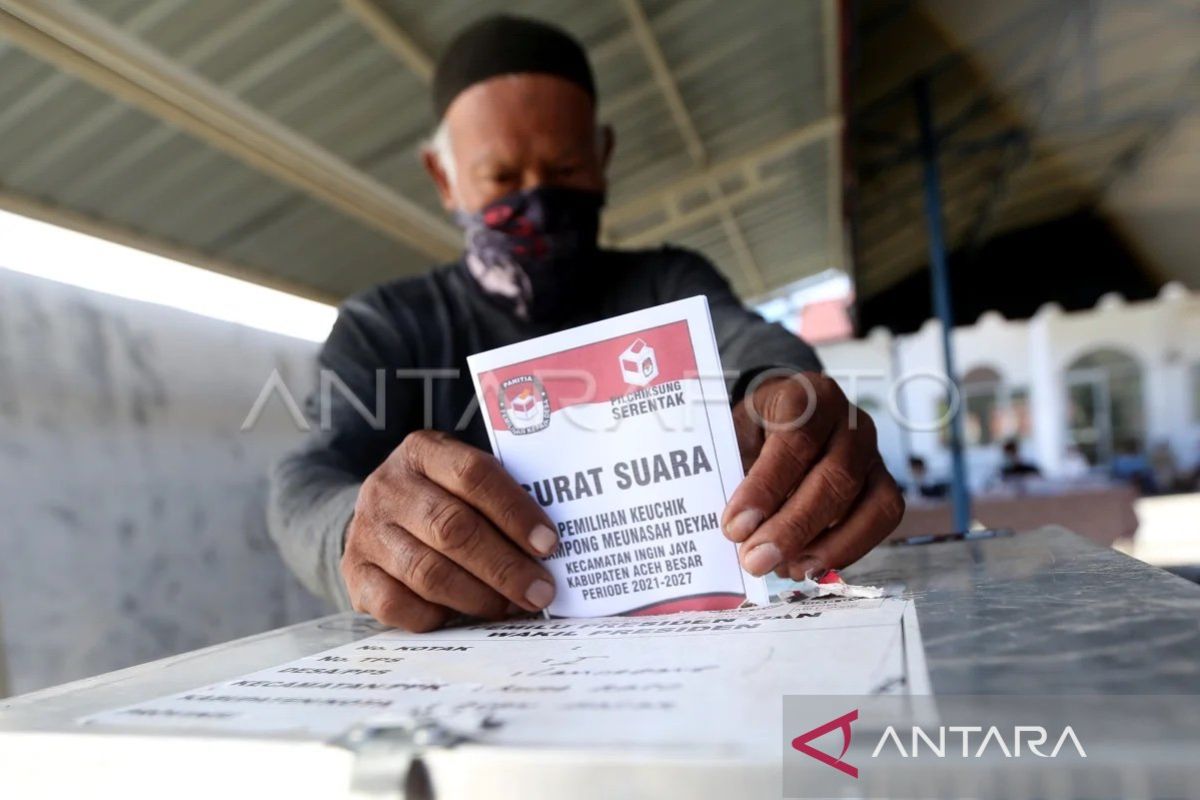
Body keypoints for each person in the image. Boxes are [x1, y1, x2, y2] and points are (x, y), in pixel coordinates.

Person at [267, 15, 904, 632]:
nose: (538, 201)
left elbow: (751, 346)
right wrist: (358, 531)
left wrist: (786, 399)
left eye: (566, 171)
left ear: (602, 156)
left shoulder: (666, 285)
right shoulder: (388, 324)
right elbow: (304, 482)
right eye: (503, 177)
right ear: (444, 176)